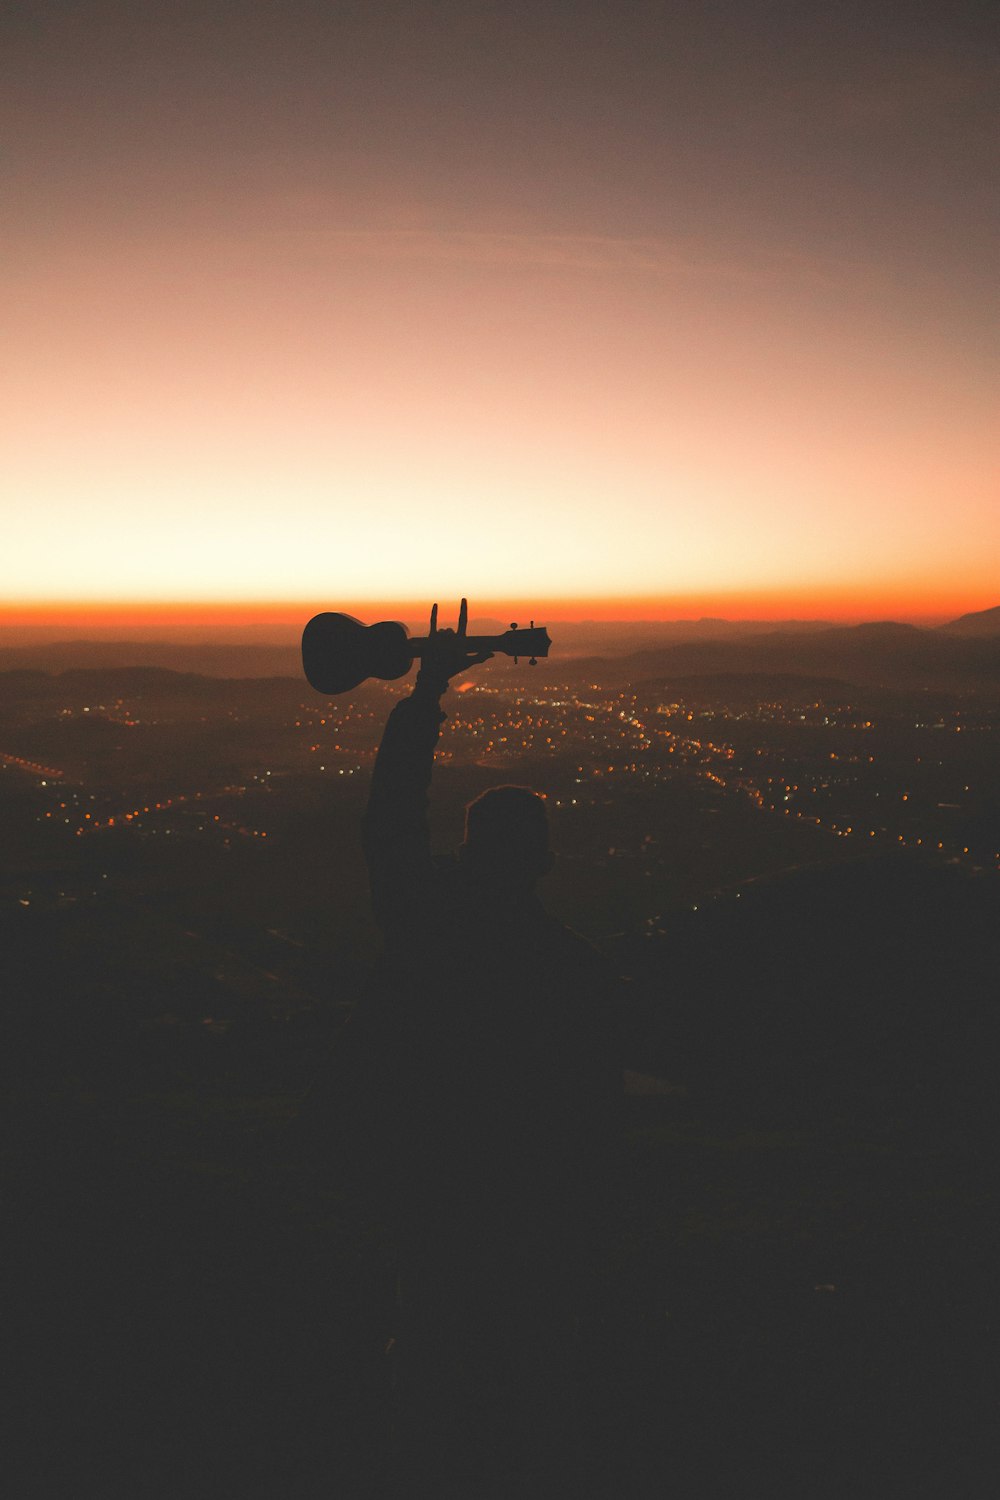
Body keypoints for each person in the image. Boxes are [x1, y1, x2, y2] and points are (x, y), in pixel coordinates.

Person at [360, 600, 623, 1496]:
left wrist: (426, 696)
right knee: (532, 1410)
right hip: (533, 1228)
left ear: (471, 853)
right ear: (542, 864)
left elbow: (391, 816)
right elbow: (594, 1124)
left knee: (430, 1398)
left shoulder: (424, 924)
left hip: (434, 1199)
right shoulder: (574, 974)